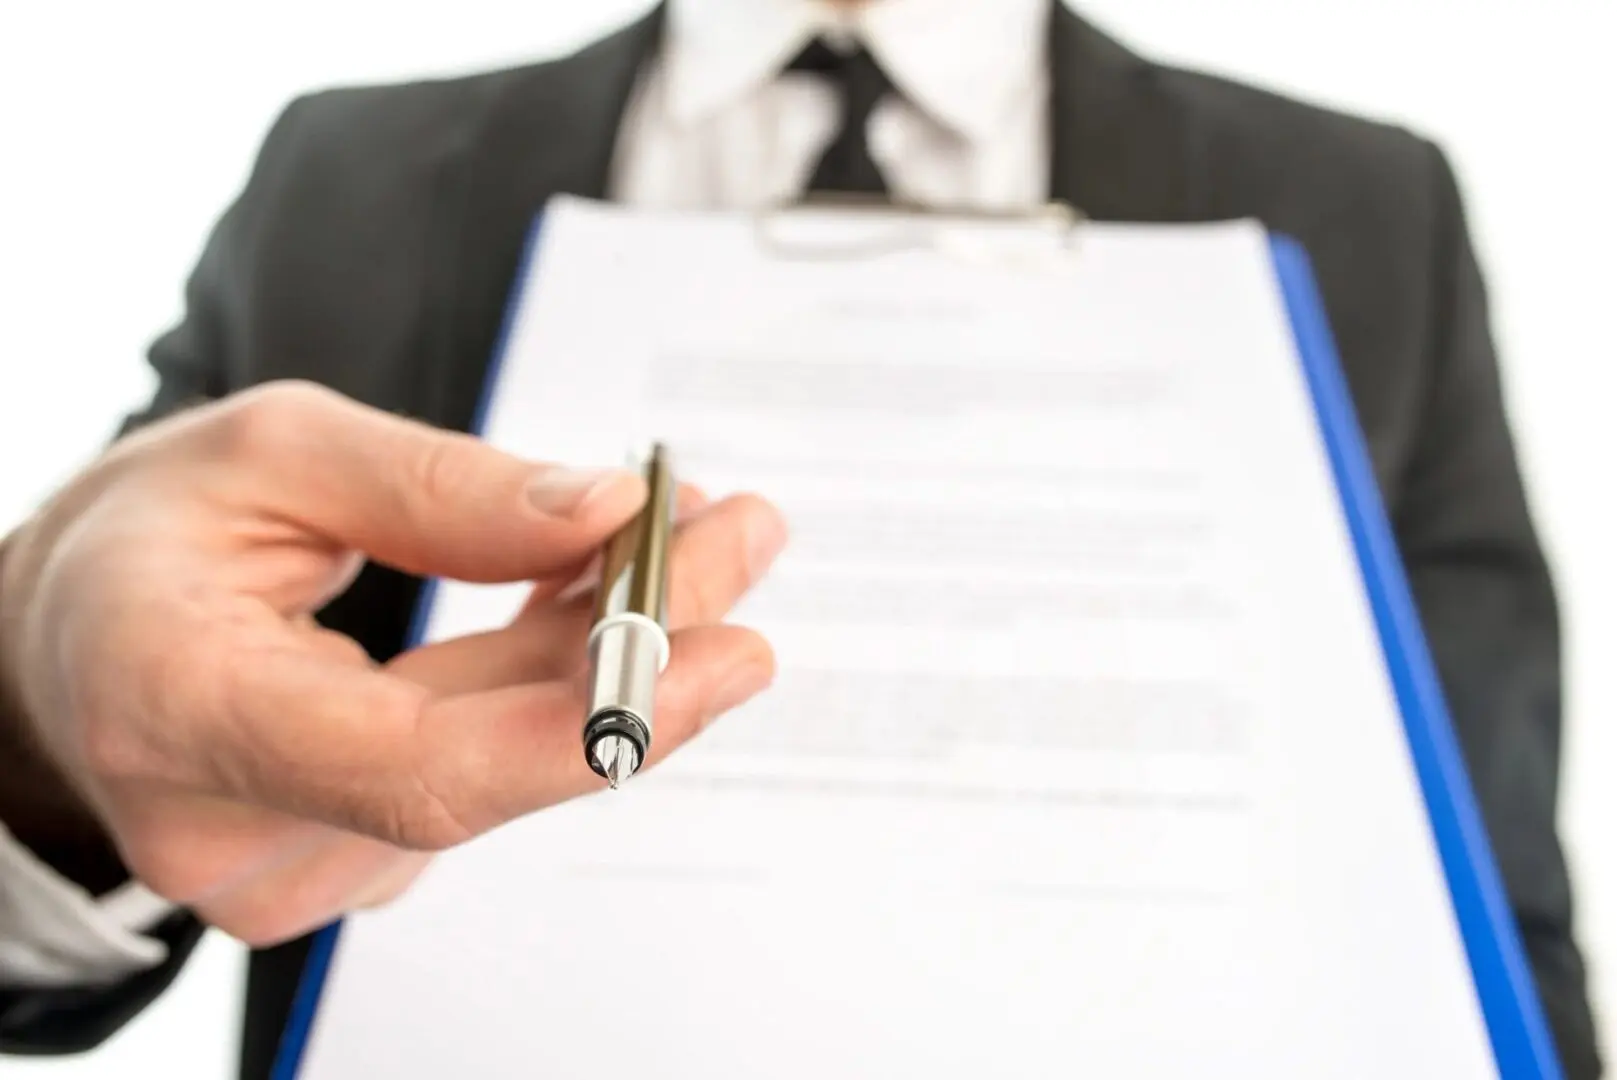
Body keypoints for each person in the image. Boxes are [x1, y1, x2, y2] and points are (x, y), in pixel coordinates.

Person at [0, 0, 1601, 1076]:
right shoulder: (337, 176)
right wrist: (36, 725)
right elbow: (140, 670)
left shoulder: (1363, 201)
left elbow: (1497, 881)